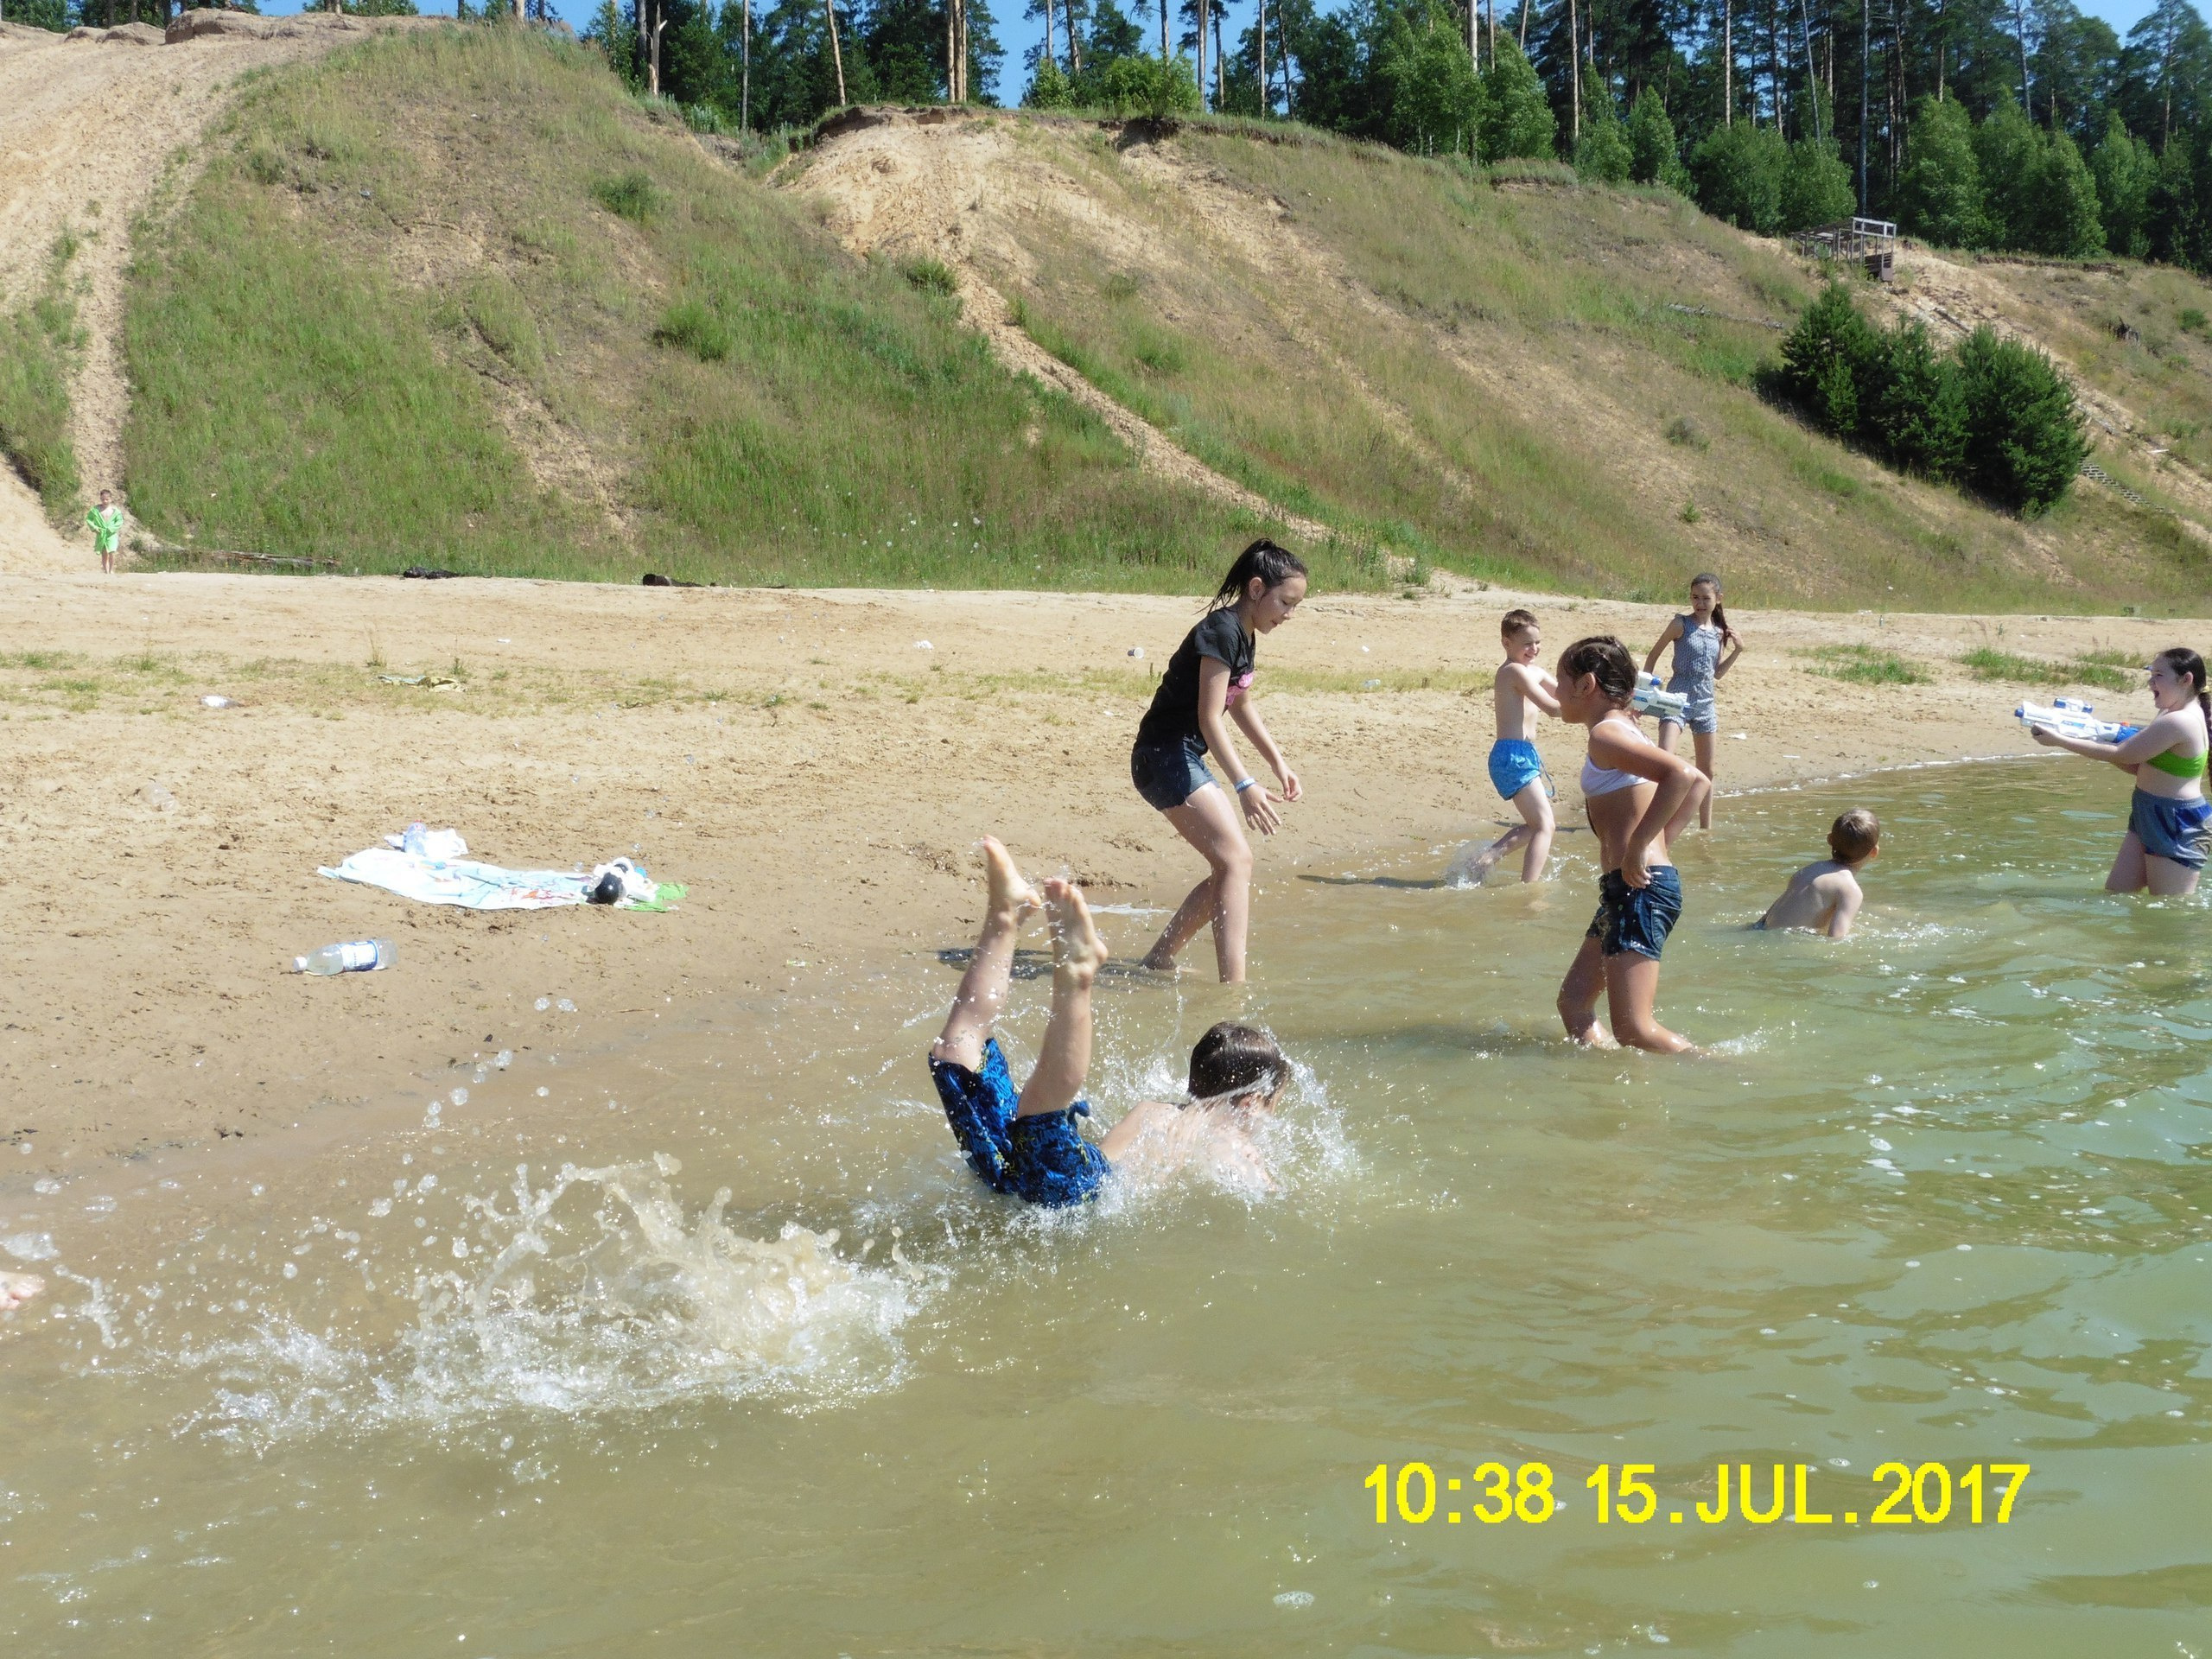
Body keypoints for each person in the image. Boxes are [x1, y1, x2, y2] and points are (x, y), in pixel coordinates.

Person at [928, 839, 1291, 1205]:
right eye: (1272, 1107)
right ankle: (1077, 972)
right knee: (1038, 1115)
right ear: (1250, 1103)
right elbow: (1269, 1200)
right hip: (1084, 1192)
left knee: (954, 1055)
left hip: (1023, 1174)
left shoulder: (1153, 1110)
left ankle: (1005, 915)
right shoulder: (1232, 1141)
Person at [1129, 540, 1307, 982]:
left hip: (1180, 754)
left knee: (1230, 865)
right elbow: (1211, 717)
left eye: (1295, 606)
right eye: (1285, 602)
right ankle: (1234, 987)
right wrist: (1245, 786)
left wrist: (1277, 763)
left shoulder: (1244, 634)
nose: (1289, 614)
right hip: (1162, 754)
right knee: (1235, 860)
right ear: (1255, 588)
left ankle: (1158, 960)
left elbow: (1240, 703)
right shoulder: (1221, 630)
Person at [1553, 636, 1710, 1054]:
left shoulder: (1606, 735)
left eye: (1559, 682)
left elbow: (1680, 775)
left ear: (1586, 685)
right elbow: (1699, 782)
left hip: (1639, 889)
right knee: (1574, 1003)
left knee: (1636, 1030)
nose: (1555, 694)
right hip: (1629, 888)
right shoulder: (1624, 727)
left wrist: (1642, 846)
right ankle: (1603, 1083)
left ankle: (1727, 1072)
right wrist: (1658, 846)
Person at [2029, 648, 2212, 896]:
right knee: (2116, 895)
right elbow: (2137, 767)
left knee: (2169, 912)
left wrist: (2060, 740)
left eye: (2158, 675)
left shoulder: (2180, 721)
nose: (2150, 683)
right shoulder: (2169, 713)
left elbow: (2121, 754)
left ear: (2186, 679)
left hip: (2177, 821)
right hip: (2147, 809)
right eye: (2150, 674)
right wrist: (2084, 734)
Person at [1451, 608, 1560, 886]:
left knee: (1538, 825)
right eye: (1526, 643)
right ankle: (1529, 889)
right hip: (1511, 757)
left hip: (1523, 756)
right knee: (1545, 826)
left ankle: (1483, 860)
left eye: (1537, 642)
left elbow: (1568, 696)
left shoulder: (1534, 671)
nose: (1533, 649)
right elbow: (1554, 708)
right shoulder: (1513, 672)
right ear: (1506, 643)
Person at [1642, 573, 1742, 831]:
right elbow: (1653, 655)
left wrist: (1738, 650)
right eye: (1695, 597)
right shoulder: (1680, 624)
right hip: (1676, 698)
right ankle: (1652, 822)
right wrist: (1647, 688)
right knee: (1665, 760)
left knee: (1707, 771)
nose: (1699, 603)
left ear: (1718, 599)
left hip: (1706, 703)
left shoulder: (1720, 633)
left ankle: (1704, 829)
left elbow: (1717, 673)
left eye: (1706, 598)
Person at [1758, 809, 1880, 937]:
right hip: (1789, 943)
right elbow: (1836, 938)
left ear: (1829, 839)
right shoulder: (1850, 890)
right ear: (1874, 852)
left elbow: (1766, 919)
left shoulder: (1810, 870)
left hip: (1763, 931)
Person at [86, 489, 124, 576]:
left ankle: (111, 569)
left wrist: (112, 528)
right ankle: (106, 571)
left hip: (111, 534)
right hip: (101, 534)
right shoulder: (95, 510)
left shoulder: (115, 511)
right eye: (103, 499)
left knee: (112, 552)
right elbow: (89, 519)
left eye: (107, 499)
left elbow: (119, 522)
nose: (105, 501)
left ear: (111, 499)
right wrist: (94, 527)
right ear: (100, 499)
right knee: (104, 554)